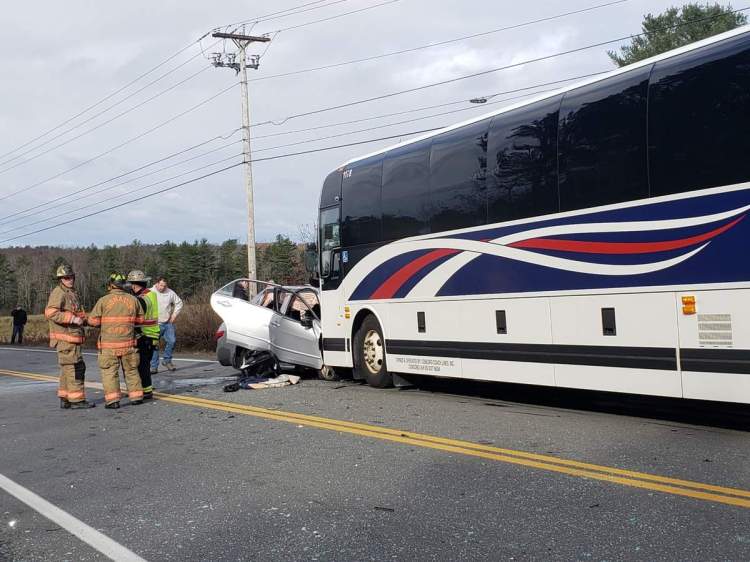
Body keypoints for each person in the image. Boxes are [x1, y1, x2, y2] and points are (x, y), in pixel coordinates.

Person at [87, 273, 144, 409]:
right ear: (124, 285)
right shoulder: (133, 300)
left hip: (109, 346)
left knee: (109, 373)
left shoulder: (103, 300)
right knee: (131, 370)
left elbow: (93, 321)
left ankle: (113, 401)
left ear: (111, 285)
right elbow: (140, 320)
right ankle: (136, 397)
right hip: (129, 343)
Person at [44, 264, 94, 409]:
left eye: (71, 277)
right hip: (66, 339)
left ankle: (65, 398)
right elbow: (51, 313)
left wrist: (86, 321)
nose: (70, 280)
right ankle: (77, 400)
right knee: (75, 368)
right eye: (67, 278)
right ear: (61, 279)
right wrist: (71, 319)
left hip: (72, 338)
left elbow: (77, 314)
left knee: (67, 369)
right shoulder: (59, 292)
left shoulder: (71, 292)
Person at [127, 270, 159, 400]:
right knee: (144, 364)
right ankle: (147, 389)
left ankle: (145, 391)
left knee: (141, 365)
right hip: (152, 335)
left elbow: (135, 319)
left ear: (134, 285)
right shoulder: (151, 294)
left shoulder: (140, 300)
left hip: (143, 335)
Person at [150, 276, 183, 374]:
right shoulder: (150, 292)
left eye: (164, 286)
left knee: (172, 341)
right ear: (156, 283)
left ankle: (167, 361)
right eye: (160, 285)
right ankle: (154, 366)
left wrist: (174, 315)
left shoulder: (170, 293)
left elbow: (179, 303)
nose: (162, 288)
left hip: (168, 322)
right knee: (154, 345)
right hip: (155, 323)